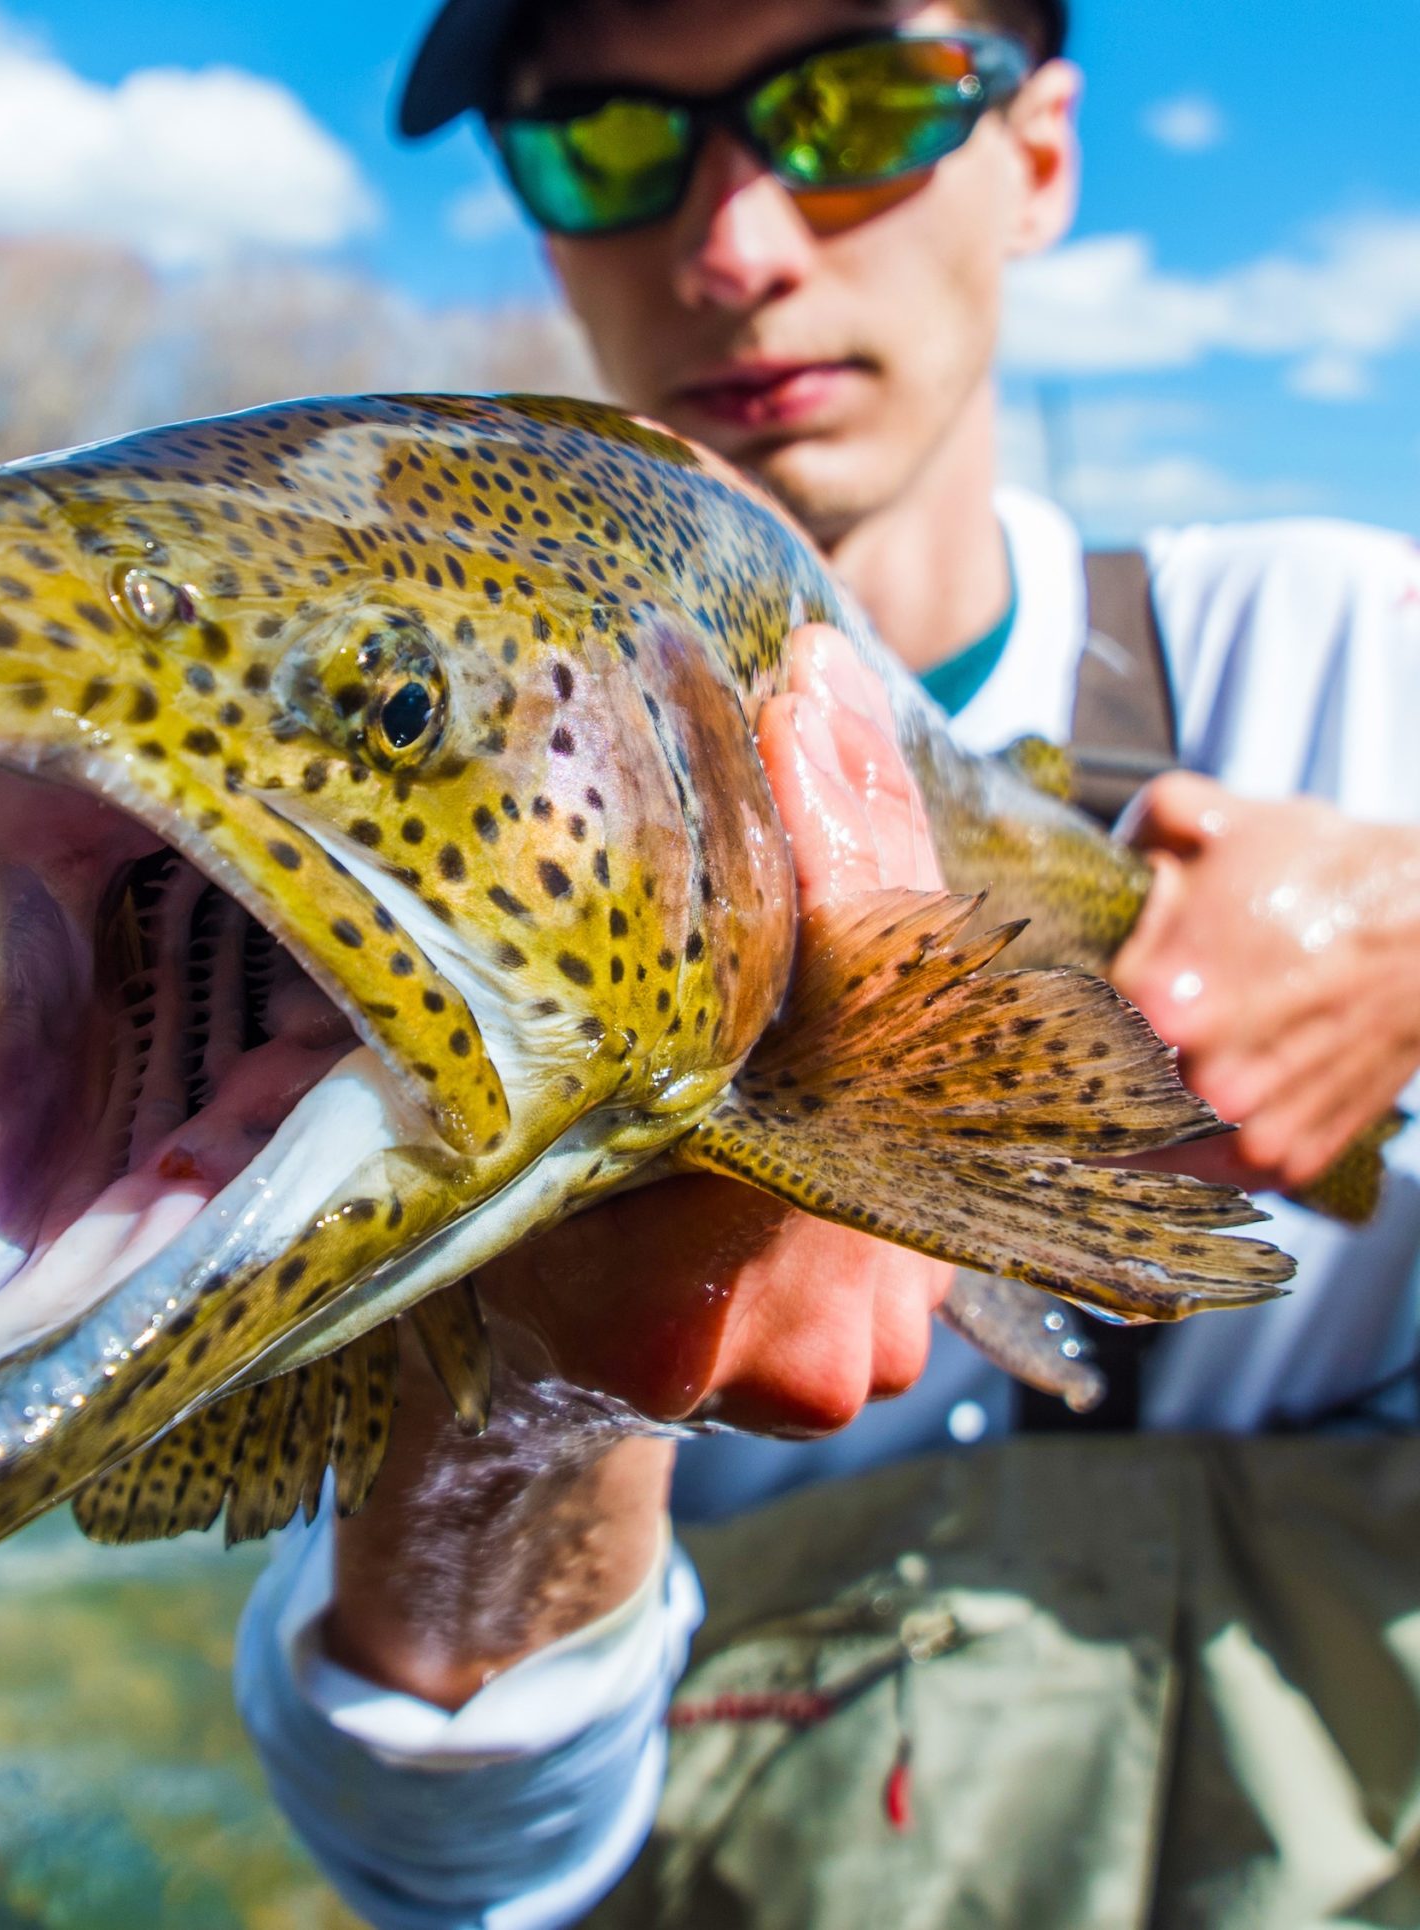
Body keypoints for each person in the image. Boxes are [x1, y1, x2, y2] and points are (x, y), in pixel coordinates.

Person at [234, 3, 1420, 1924]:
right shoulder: (390, 883)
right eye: (612, 141)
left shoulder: (1351, 649)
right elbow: (446, 1864)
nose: (739, 247)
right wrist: (540, 1394)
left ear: (1039, 158)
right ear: (548, 228)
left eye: (858, 106)